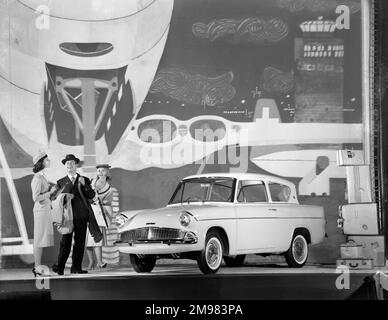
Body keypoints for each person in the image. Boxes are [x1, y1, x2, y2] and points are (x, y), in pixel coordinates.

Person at [52, 154, 101, 275]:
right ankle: (60, 267)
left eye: (72, 163)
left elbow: (91, 196)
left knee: (80, 243)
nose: (69, 165)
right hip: (67, 218)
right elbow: (56, 200)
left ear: (76, 165)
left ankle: (76, 268)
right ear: (65, 165)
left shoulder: (85, 179)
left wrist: (84, 185)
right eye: (67, 163)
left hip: (81, 216)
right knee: (65, 242)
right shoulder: (61, 182)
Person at [31, 151, 57, 276]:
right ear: (41, 162)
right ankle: (37, 267)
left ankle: (38, 267)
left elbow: (43, 195)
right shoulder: (37, 178)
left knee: (41, 239)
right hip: (40, 211)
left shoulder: (42, 177)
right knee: (39, 239)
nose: (49, 161)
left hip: (45, 210)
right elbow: (35, 198)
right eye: (47, 160)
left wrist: (52, 193)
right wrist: (50, 192)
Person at [85, 164, 114, 270]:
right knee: (88, 240)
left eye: (103, 170)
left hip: (99, 215)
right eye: (98, 170)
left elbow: (108, 202)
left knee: (97, 239)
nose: (100, 172)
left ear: (107, 172)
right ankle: (91, 262)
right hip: (90, 212)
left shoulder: (109, 188)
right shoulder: (92, 182)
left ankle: (99, 262)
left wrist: (102, 201)